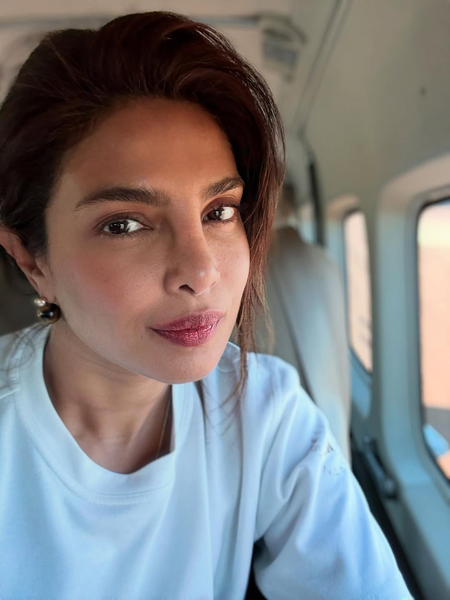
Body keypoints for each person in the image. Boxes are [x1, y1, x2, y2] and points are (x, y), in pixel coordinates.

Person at [0, 10, 414, 600]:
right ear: (31, 259)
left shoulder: (267, 414)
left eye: (219, 212)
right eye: (124, 224)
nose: (201, 272)